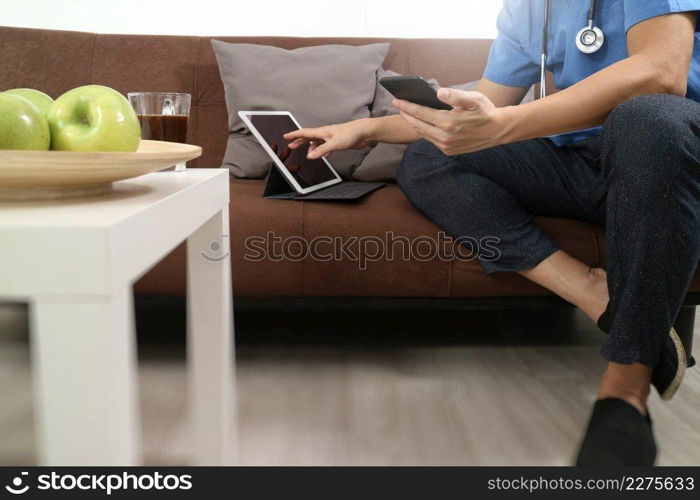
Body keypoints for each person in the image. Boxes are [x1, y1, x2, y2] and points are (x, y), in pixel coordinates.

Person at [284, 1, 700, 465]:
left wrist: (501, 127)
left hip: (670, 155)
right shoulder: (528, 9)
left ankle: (625, 389)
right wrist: (364, 129)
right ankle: (594, 294)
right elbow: (478, 116)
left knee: (647, 119)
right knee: (431, 156)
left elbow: (662, 73)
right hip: (581, 163)